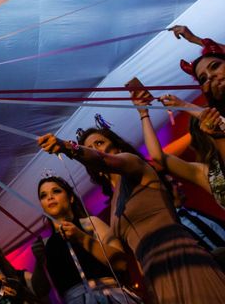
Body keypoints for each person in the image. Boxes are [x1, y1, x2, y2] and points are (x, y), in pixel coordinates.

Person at [37, 126, 225, 303]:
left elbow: (104, 160)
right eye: (90, 147)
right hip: (155, 272)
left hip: (180, 256)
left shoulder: (134, 165)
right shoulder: (115, 205)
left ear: (117, 148)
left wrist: (69, 147)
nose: (95, 149)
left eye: (99, 143)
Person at [31, 176, 140, 303]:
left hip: (110, 296)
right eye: (43, 195)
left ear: (71, 198)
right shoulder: (45, 244)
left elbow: (121, 263)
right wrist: (39, 263)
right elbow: (39, 291)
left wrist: (81, 237)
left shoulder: (90, 223)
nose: (50, 197)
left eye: (56, 191)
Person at [131, 87, 225, 209]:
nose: (215, 124)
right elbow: (158, 156)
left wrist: (184, 105)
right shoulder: (208, 173)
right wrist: (144, 114)